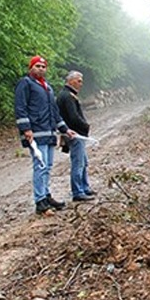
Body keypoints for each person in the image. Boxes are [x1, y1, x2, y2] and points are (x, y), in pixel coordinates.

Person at [15, 55, 76, 215]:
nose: (41, 69)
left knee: (48, 167)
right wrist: (26, 128)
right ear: (31, 68)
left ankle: (47, 196)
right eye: (37, 66)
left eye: (43, 66)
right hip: (35, 133)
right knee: (40, 166)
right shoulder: (25, 84)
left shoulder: (48, 88)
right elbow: (20, 107)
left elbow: (54, 112)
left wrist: (64, 129)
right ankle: (40, 201)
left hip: (49, 133)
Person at [56, 70, 95, 202]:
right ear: (70, 80)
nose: (81, 84)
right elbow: (73, 117)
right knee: (78, 163)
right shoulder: (67, 96)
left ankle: (84, 187)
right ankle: (78, 191)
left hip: (75, 133)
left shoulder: (66, 95)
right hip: (75, 134)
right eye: (79, 81)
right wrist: (85, 125)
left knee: (83, 162)